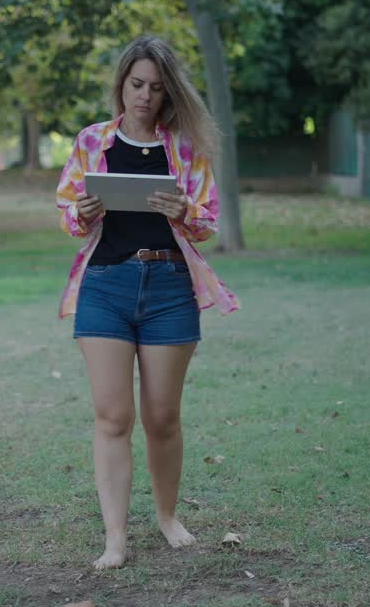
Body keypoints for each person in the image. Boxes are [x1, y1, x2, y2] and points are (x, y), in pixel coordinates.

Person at [55, 35, 239, 569]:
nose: (144, 95)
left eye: (156, 88)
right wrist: (84, 211)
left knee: (162, 417)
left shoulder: (185, 149)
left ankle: (166, 517)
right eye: (136, 84)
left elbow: (208, 223)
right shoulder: (92, 141)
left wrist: (181, 208)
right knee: (113, 416)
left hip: (168, 288)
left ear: (168, 93)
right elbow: (67, 215)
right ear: (122, 84)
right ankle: (115, 538)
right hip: (106, 286)